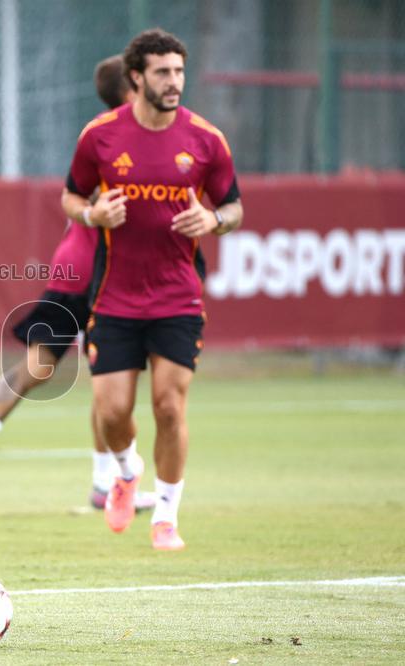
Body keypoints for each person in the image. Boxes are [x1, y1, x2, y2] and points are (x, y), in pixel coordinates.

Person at [0, 55, 156, 514]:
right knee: (115, 378)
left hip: (75, 264)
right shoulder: (123, 137)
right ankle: (114, 480)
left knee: (40, 367)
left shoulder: (102, 133)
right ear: (133, 86)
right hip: (103, 271)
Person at [62, 29, 243, 550]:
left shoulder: (206, 139)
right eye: (163, 72)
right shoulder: (99, 135)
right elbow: (71, 198)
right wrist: (93, 212)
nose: (174, 82)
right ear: (136, 76)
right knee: (113, 412)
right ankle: (125, 471)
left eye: (179, 71)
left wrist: (213, 219)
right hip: (115, 297)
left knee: (169, 406)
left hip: (177, 296)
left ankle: (166, 514)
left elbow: (234, 206)